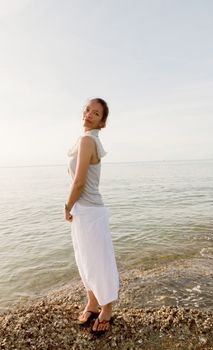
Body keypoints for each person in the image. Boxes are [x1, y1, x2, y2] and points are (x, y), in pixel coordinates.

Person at [65, 98, 119, 334]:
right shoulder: (85, 139)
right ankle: (92, 303)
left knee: (99, 261)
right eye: (87, 110)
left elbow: (79, 181)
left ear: (102, 122)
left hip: (91, 211)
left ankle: (106, 309)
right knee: (84, 260)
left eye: (95, 113)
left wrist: (67, 205)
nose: (88, 114)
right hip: (83, 210)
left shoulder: (88, 140)